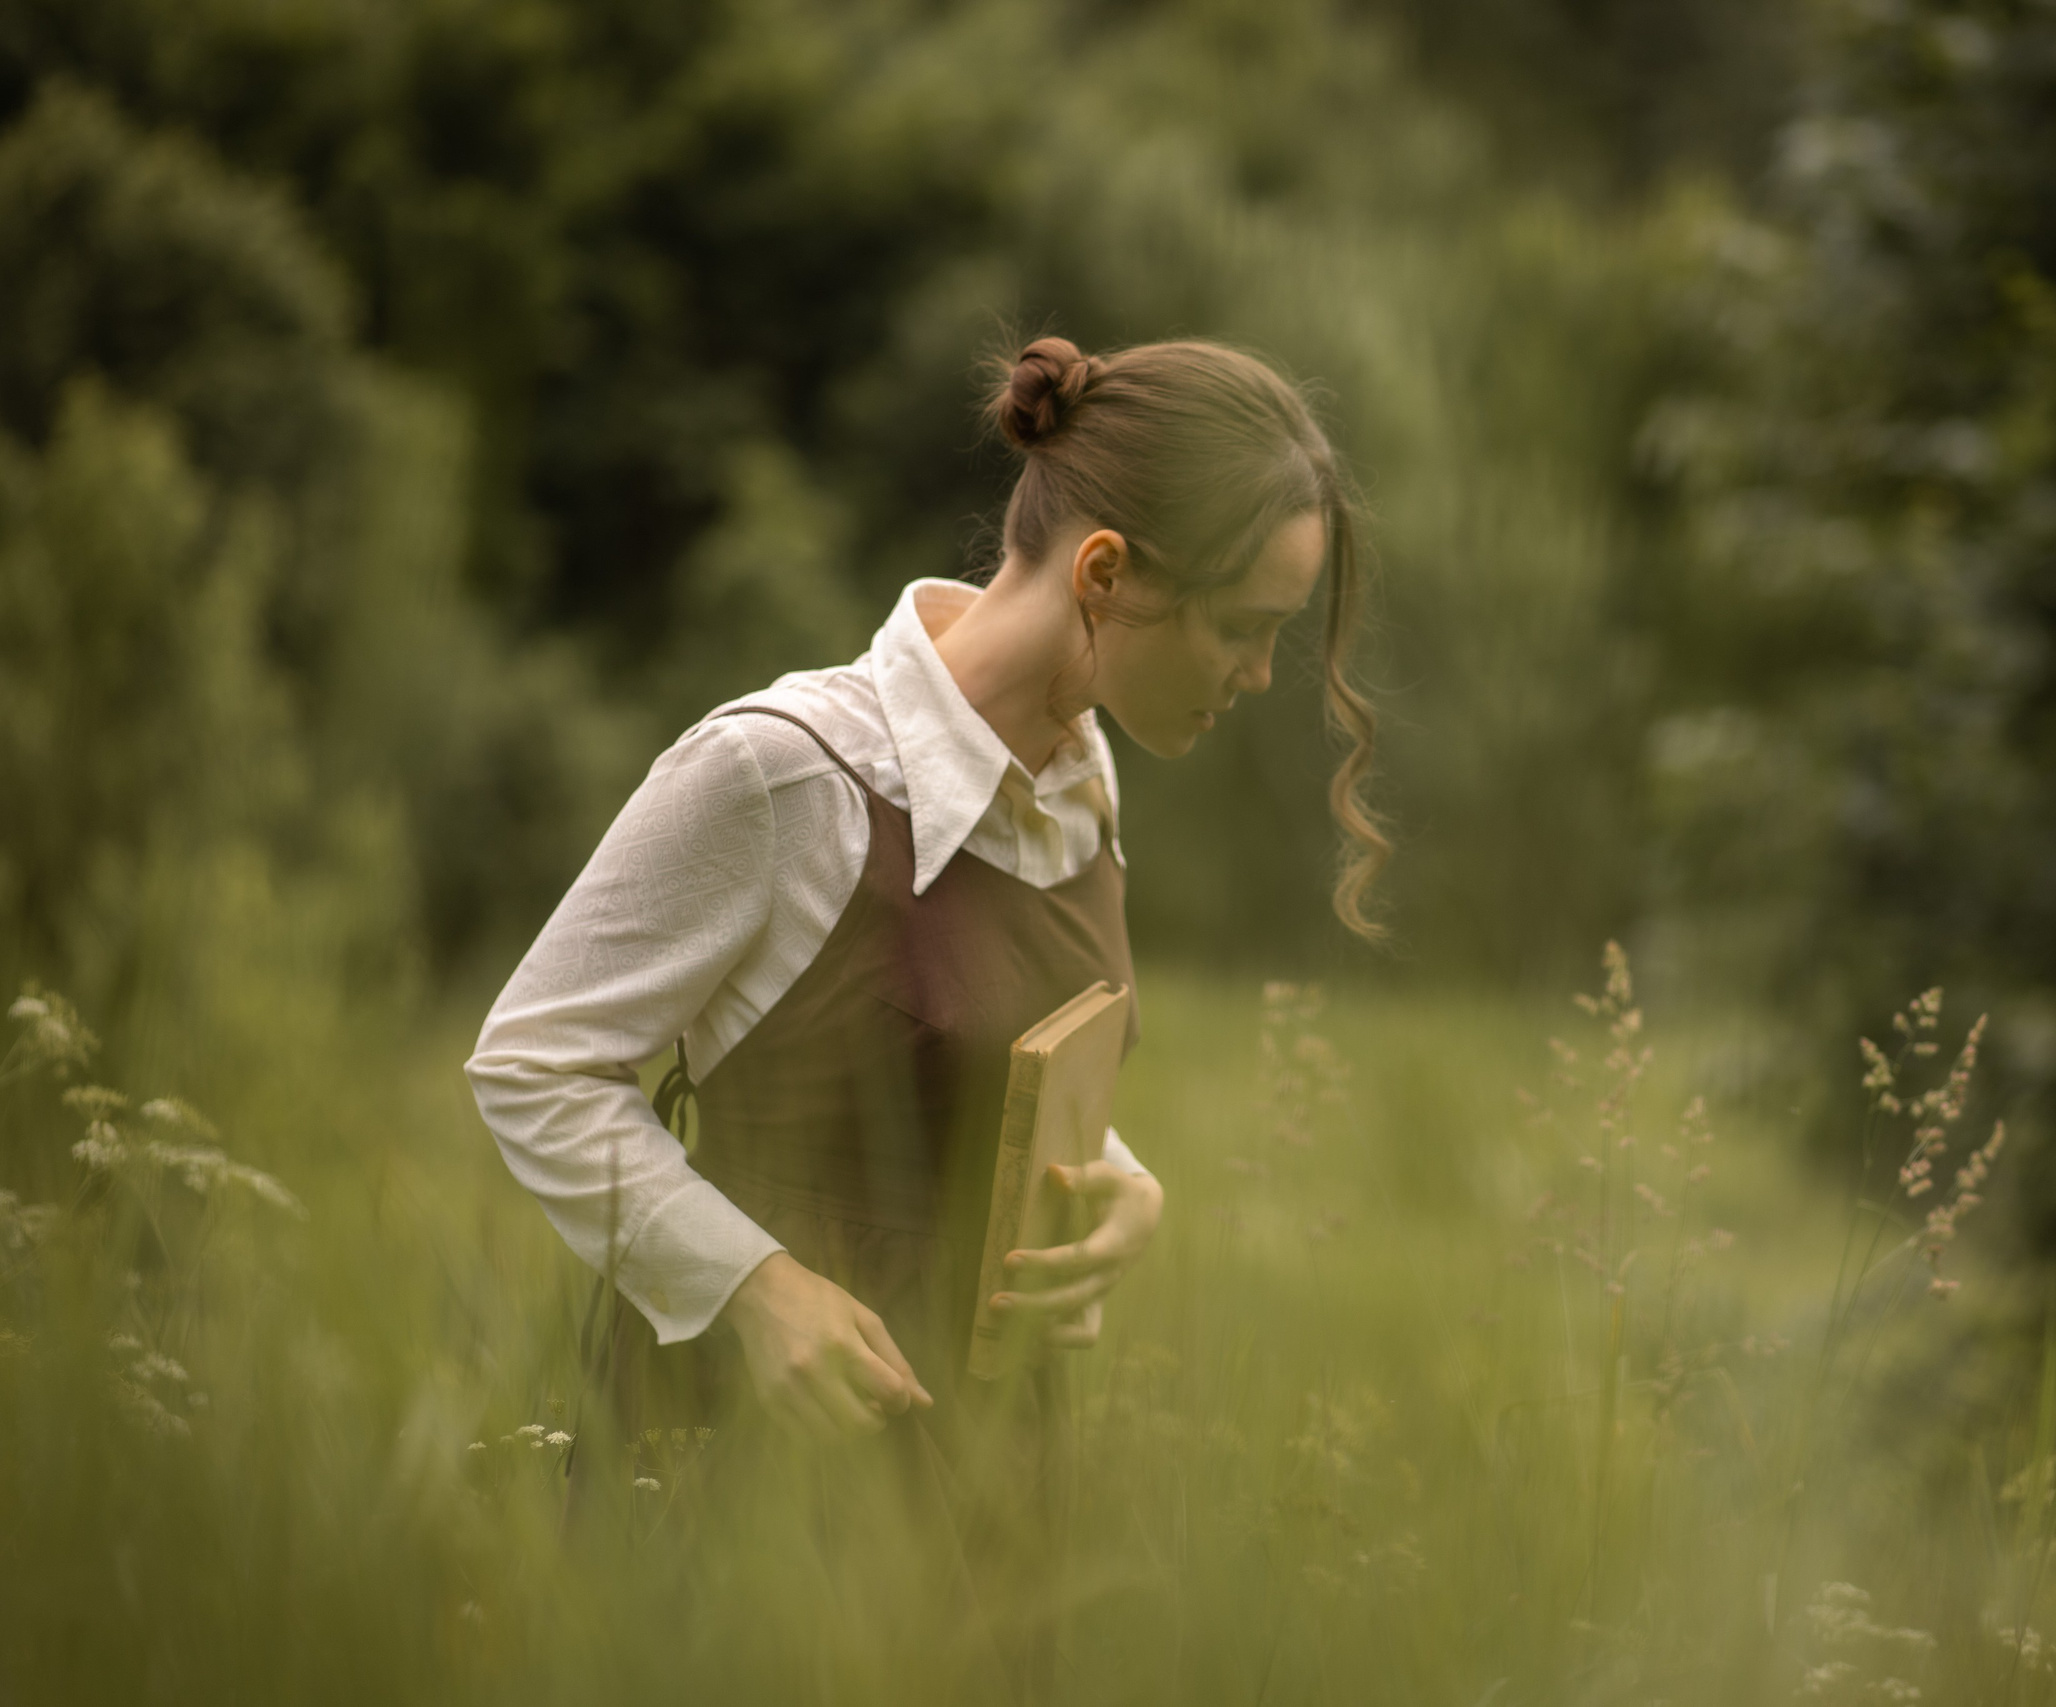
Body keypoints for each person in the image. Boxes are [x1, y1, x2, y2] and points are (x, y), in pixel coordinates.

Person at [463, 335, 1388, 1696]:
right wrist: (756, 1289)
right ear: (1108, 575)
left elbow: (965, 1069)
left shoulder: (1083, 784)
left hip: (996, 1468)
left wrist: (1123, 1185)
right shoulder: (783, 773)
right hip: (757, 1469)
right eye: (1246, 630)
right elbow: (533, 1063)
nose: (1258, 678)